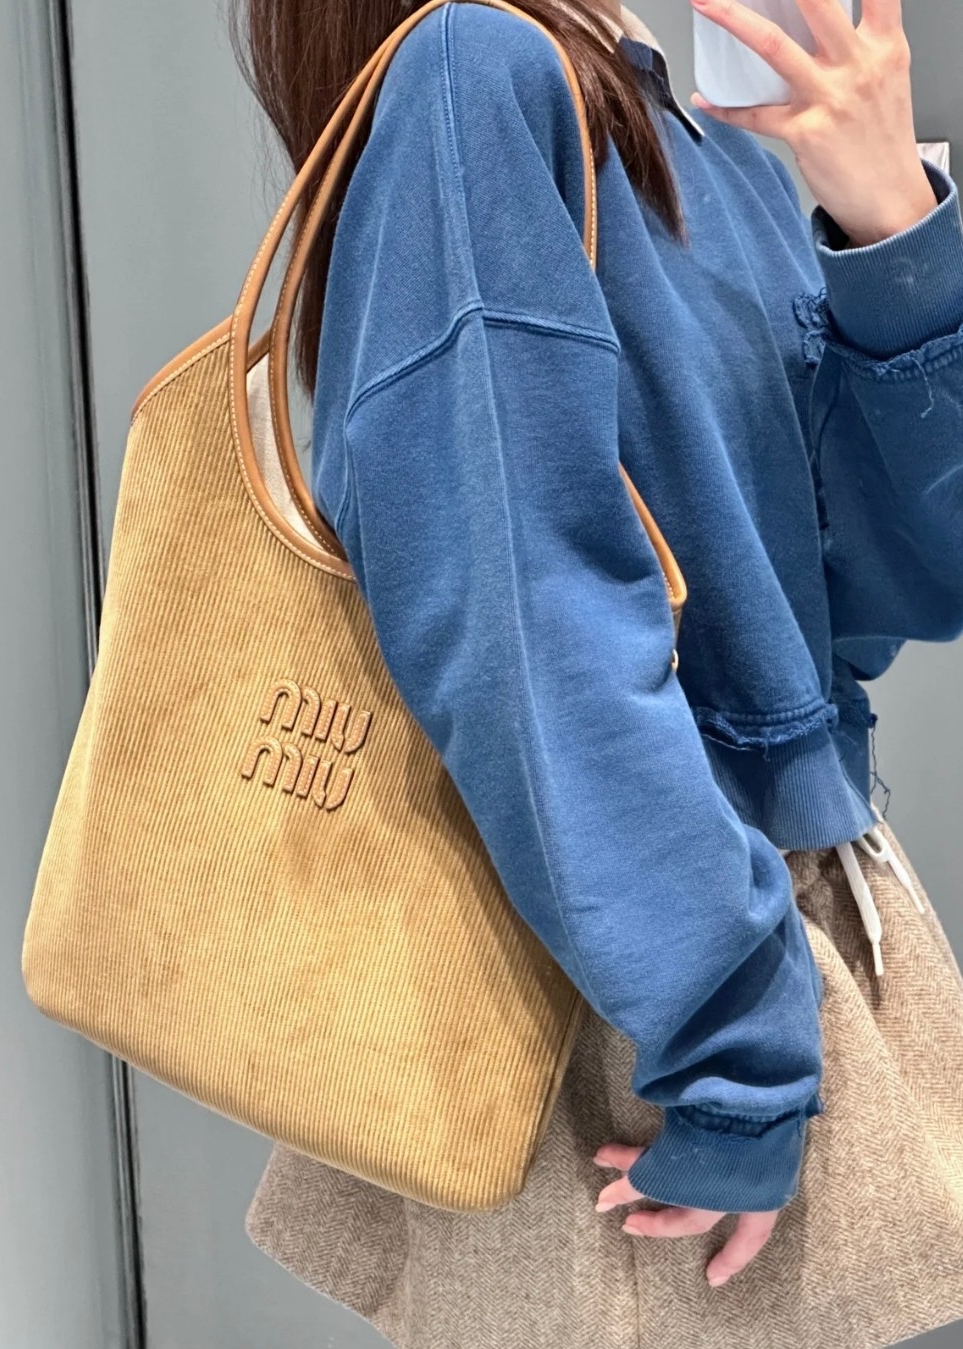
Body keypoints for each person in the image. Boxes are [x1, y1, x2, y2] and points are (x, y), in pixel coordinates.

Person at [235, 2, 963, 1344]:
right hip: (637, 993)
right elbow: (522, 619)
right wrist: (732, 1050)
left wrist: (891, 230)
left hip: (764, 944)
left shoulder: (711, 144)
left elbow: (894, 590)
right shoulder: (478, 75)